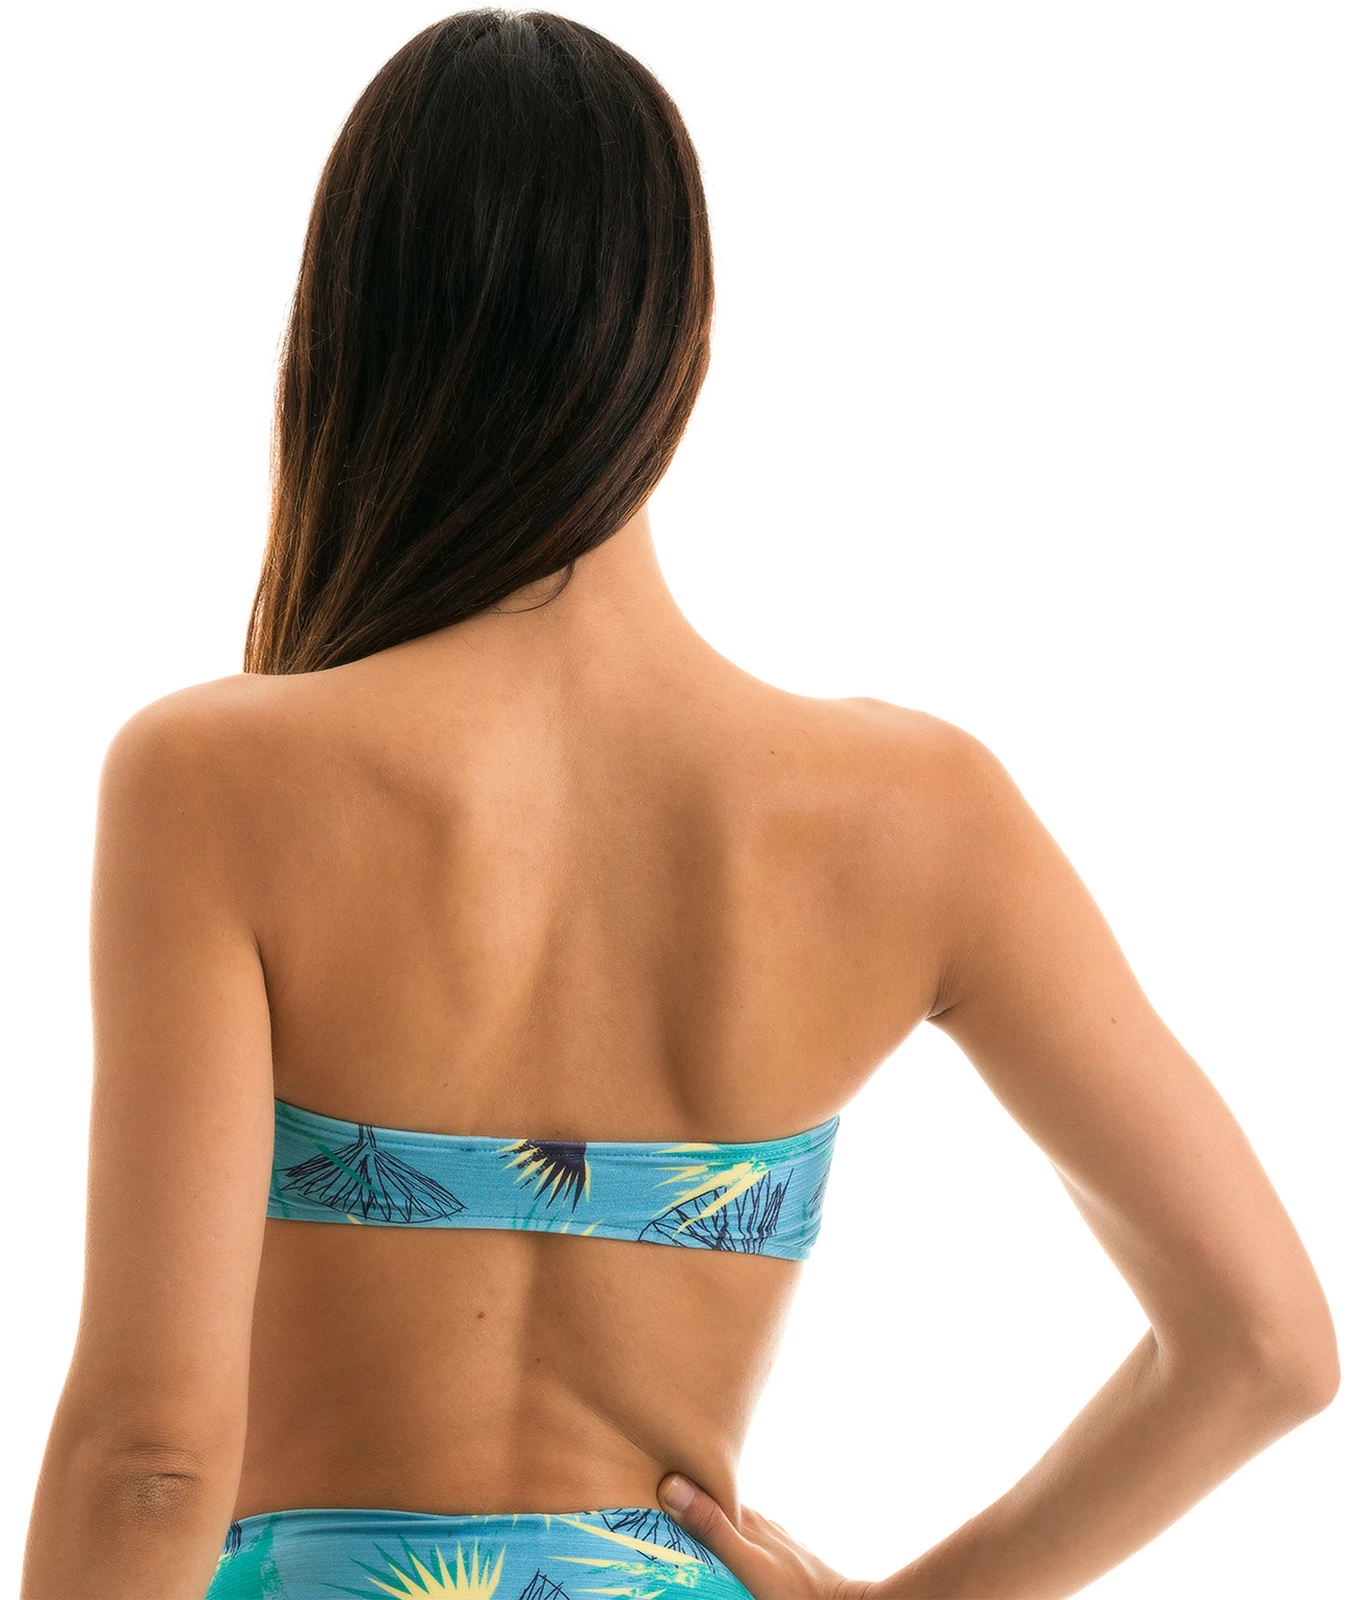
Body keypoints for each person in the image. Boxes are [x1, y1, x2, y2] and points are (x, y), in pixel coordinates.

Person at [19, 10, 1337, 1599]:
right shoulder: (916, 813)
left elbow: (151, 1460)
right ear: (678, 342)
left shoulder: (214, 778)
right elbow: (1263, 1346)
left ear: (345, 331)